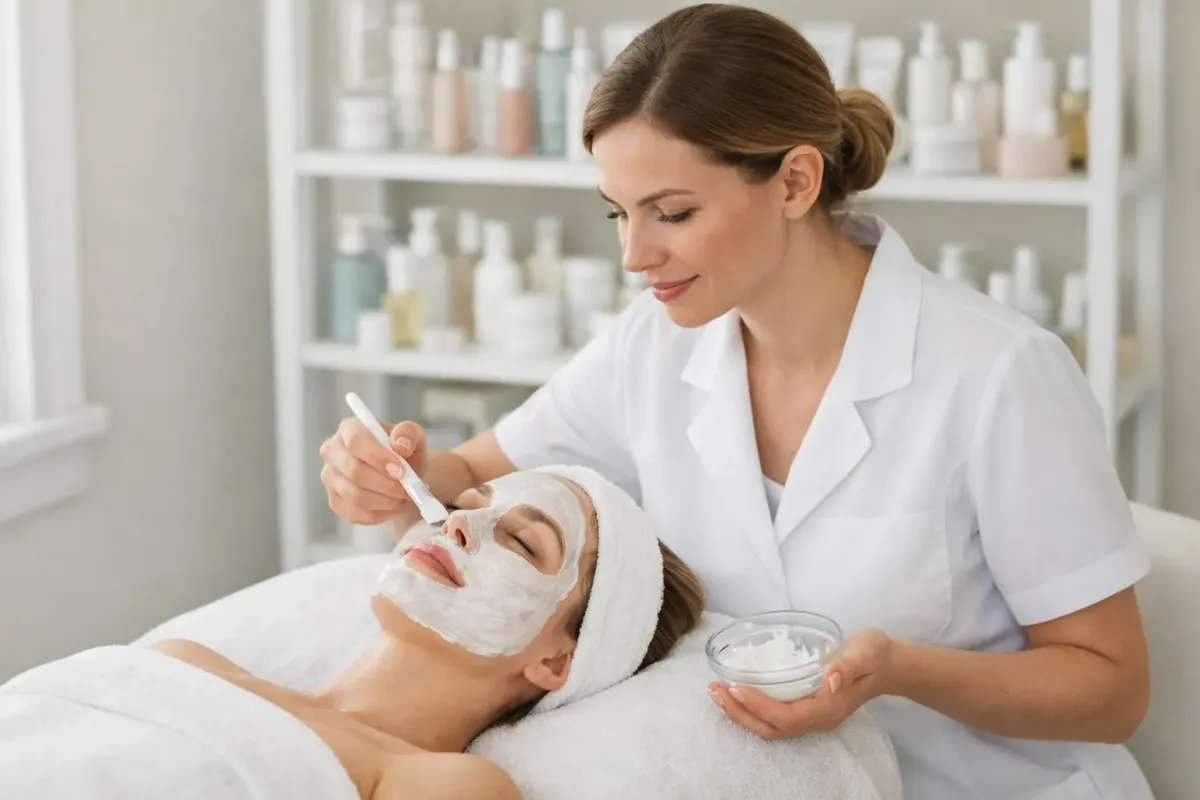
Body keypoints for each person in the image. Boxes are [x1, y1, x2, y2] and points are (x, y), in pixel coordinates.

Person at [319, 5, 1154, 798]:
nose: (634, 255)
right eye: (617, 213)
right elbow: (469, 475)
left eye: (671, 213)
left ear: (794, 181)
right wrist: (397, 475)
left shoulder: (1000, 374)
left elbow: (1111, 688)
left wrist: (896, 672)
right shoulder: (651, 347)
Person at [0, 467, 706, 800]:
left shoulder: (445, 784)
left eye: (522, 543)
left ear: (558, 660)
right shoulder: (187, 663)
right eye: (464, 504)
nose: (455, 523)